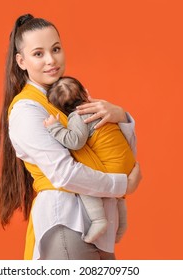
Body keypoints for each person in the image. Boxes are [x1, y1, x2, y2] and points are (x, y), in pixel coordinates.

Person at [0, 14, 142, 260]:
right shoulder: (27, 110)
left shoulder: (68, 95)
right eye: (38, 54)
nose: (51, 60)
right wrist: (122, 185)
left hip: (97, 225)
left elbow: (111, 148)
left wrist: (120, 116)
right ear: (21, 61)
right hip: (67, 223)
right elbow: (65, 174)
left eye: (56, 49)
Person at [43, 76, 136, 244]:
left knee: (83, 183)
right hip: (127, 162)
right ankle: (122, 226)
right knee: (119, 196)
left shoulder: (78, 116)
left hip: (113, 167)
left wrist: (54, 127)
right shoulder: (99, 108)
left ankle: (98, 219)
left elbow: (75, 141)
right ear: (86, 93)